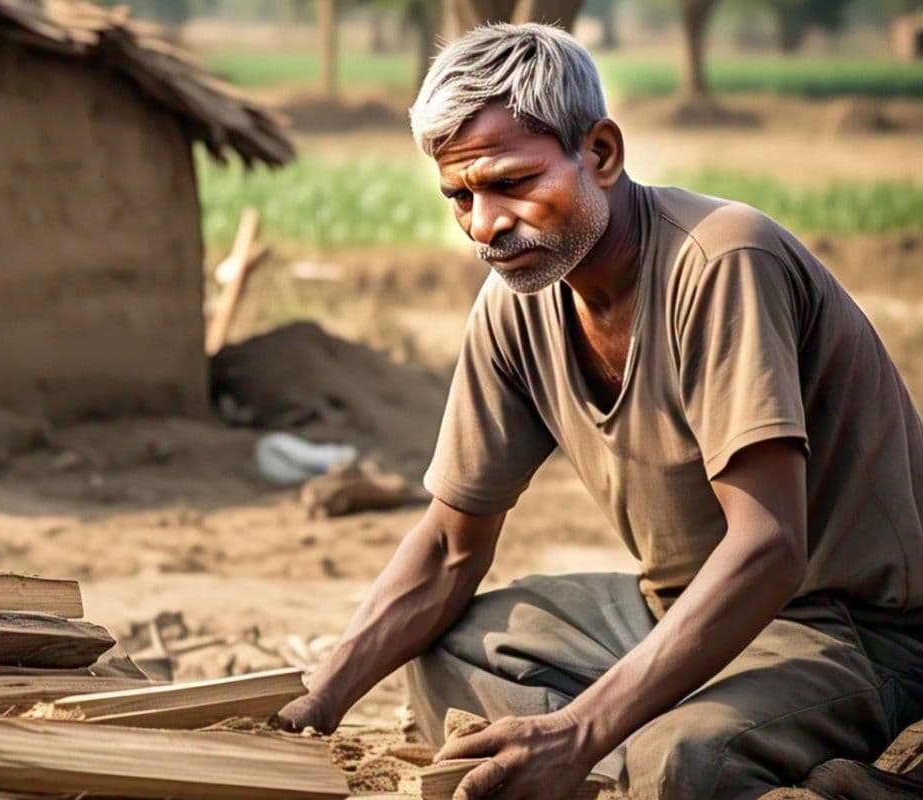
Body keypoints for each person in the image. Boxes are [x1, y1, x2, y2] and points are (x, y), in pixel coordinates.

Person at [276, 23, 923, 800]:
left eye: (512, 183)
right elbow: (451, 546)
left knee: (684, 760)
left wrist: (582, 729)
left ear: (603, 154)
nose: (484, 226)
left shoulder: (720, 263)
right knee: (450, 651)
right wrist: (313, 705)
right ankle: (657, 750)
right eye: (460, 196)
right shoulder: (518, 305)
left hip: (841, 629)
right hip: (671, 610)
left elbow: (770, 548)